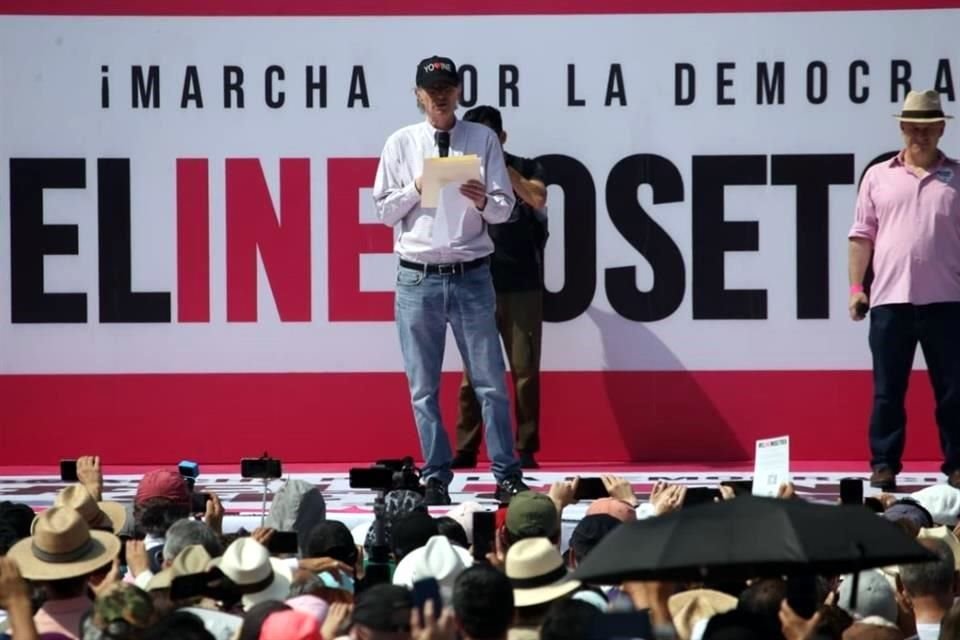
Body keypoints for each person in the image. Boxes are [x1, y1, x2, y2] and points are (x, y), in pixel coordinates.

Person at [372, 55, 526, 506]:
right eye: (431, 88)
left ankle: (506, 472)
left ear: (459, 91)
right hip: (417, 278)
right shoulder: (400, 143)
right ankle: (436, 473)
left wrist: (483, 201)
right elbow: (382, 212)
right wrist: (417, 188)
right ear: (417, 94)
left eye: (447, 87)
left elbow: (505, 209)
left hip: (471, 274)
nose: (440, 95)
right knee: (423, 386)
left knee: (491, 381)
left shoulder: (480, 139)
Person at [848, 89, 960, 491]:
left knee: (954, 393)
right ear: (901, 128)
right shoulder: (878, 177)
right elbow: (862, 236)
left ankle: (958, 465)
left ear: (941, 129)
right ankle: (884, 464)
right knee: (887, 393)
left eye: (928, 128)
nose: (920, 135)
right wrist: (857, 288)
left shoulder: (958, 177)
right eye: (913, 127)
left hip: (948, 302)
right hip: (890, 302)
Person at [452, 105, 548, 471]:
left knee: (524, 370)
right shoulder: (457, 171)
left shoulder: (526, 167)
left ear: (502, 138)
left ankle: (525, 447)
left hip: (521, 281)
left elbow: (538, 198)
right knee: (472, 373)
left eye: (489, 138)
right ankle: (465, 447)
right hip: (475, 279)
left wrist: (498, 166)